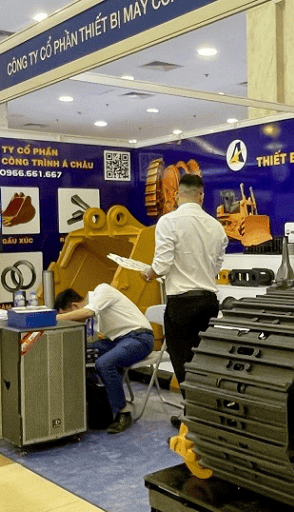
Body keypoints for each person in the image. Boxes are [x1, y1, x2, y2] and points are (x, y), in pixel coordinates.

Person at [141, 174, 228, 428]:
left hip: (181, 304)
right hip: (209, 302)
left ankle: (194, 421)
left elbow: (162, 264)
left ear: (177, 195)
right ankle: (202, 415)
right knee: (205, 362)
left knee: (183, 364)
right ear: (201, 196)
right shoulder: (216, 226)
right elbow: (216, 266)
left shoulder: (168, 222)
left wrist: (149, 273)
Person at [55, 283, 154, 434]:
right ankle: (90, 404)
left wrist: (54, 318)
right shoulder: (97, 312)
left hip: (139, 337)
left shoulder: (102, 290)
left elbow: (87, 312)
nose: (71, 321)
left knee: (104, 363)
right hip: (117, 341)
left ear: (75, 306)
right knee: (78, 350)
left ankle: (123, 413)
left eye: (69, 316)